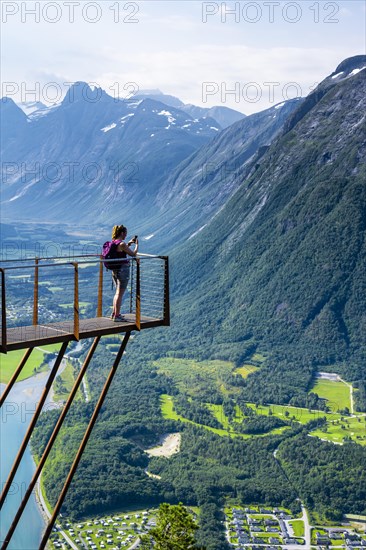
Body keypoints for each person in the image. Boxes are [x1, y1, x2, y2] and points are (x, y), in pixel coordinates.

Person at [110, 224, 139, 322]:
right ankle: (117, 316)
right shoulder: (122, 244)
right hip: (123, 270)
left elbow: (121, 251)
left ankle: (114, 313)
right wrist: (137, 245)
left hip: (115, 270)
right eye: (125, 233)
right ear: (122, 233)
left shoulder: (114, 242)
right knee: (120, 293)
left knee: (117, 293)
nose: (126, 235)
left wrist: (129, 243)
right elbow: (133, 254)